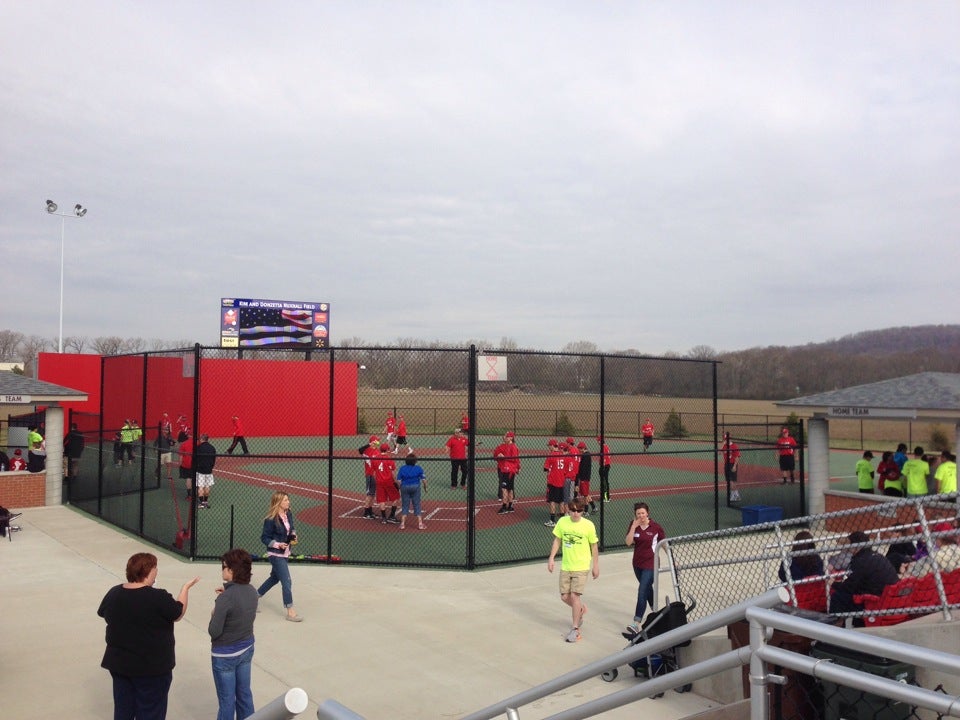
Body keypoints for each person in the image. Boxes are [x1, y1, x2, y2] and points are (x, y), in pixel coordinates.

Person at [97, 552, 200, 720]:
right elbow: (178, 612)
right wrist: (185, 589)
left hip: (120, 666)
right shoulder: (157, 597)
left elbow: (103, 613)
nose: (157, 571)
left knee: (123, 712)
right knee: (151, 712)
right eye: (155, 568)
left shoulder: (114, 593)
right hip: (152, 670)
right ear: (148, 571)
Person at [209, 548, 258, 720]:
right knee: (245, 695)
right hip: (246, 649)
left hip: (224, 656)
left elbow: (214, 631)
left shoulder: (225, 598)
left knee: (227, 701)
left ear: (232, 570)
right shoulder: (252, 591)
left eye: (224, 566)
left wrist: (218, 606)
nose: (222, 569)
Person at [547, 500, 599, 643]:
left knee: (575, 596)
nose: (576, 513)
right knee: (564, 597)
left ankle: (575, 629)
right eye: (573, 510)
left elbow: (594, 546)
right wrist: (551, 558)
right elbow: (557, 540)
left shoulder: (588, 525)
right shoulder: (562, 522)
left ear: (583, 511)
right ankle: (580, 609)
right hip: (566, 566)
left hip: (581, 567)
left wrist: (596, 565)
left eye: (579, 511)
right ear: (568, 510)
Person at [257, 491, 303, 622]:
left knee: (274, 578)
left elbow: (292, 528)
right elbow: (264, 538)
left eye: (288, 499)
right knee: (287, 581)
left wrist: (293, 535)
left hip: (285, 552)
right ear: (278, 503)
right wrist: (277, 544)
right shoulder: (270, 519)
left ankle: (253, 597)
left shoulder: (288, 514)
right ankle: (290, 611)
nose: (288, 502)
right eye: (285, 500)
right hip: (275, 554)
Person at [829, 530, 899, 615]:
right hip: (888, 597)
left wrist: (833, 583)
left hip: (874, 601)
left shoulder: (860, 561)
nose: (848, 546)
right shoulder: (878, 556)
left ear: (855, 546)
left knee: (838, 596)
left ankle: (835, 624)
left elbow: (849, 587)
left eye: (849, 544)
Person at [626, 502, 666, 628]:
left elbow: (664, 543)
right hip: (637, 564)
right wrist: (633, 527)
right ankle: (658, 613)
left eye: (643, 513)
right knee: (647, 589)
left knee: (642, 590)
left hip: (651, 563)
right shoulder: (634, 526)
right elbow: (628, 542)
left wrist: (673, 559)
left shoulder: (655, 527)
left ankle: (636, 622)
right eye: (638, 514)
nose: (641, 516)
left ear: (647, 513)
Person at [396, 453, 427, 530]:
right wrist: (425, 488)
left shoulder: (402, 468)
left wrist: (399, 488)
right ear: (415, 461)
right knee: (416, 504)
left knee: (405, 505)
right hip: (415, 487)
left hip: (405, 487)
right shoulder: (418, 468)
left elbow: (399, 481)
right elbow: (424, 480)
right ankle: (420, 524)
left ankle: (402, 524)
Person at [493, 431, 520, 514]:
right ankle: (510, 506)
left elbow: (515, 459)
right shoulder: (507, 446)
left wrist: (504, 457)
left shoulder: (513, 447)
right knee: (509, 489)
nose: (506, 437)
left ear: (511, 438)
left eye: (507, 437)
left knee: (505, 489)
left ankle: (504, 507)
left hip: (509, 470)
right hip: (506, 469)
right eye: (506, 436)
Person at [374, 442, 400, 524]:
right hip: (389, 481)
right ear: (388, 450)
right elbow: (393, 473)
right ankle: (392, 516)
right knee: (395, 498)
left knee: (382, 500)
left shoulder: (376, 458)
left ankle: (384, 518)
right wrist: (396, 482)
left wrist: (377, 479)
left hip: (379, 482)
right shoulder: (389, 460)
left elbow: (374, 472)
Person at [543, 439, 565, 527]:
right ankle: (563, 520)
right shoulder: (562, 454)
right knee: (561, 501)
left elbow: (545, 468)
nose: (548, 447)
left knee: (552, 500)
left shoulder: (551, 455)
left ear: (552, 446)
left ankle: (552, 520)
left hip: (553, 481)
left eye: (549, 446)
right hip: (561, 481)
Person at [358, 435, 381, 520]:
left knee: (373, 494)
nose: (378, 442)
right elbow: (360, 450)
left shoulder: (377, 451)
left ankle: (370, 511)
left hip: (376, 475)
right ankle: (366, 512)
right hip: (370, 475)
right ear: (373, 442)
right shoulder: (367, 452)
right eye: (377, 441)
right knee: (369, 494)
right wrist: (369, 444)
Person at [194, 434, 217, 509]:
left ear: (202, 439)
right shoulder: (212, 448)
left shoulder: (199, 447)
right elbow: (214, 459)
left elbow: (196, 459)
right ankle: (205, 502)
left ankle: (201, 503)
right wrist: (211, 466)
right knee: (207, 486)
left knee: (200, 487)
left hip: (200, 470)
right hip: (209, 470)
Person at [720, 432, 741, 501]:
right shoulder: (724, 446)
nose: (725, 440)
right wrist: (722, 444)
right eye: (724, 439)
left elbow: (737, 457)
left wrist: (735, 466)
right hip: (726, 464)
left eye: (726, 439)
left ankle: (733, 495)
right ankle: (737, 495)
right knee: (730, 481)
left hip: (732, 464)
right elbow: (720, 452)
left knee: (732, 481)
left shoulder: (734, 446)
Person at [576, 441, 595, 514]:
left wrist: (580, 477)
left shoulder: (585, 456)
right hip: (585, 477)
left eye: (580, 449)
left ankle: (586, 510)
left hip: (584, 478)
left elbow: (583, 468)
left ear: (583, 448)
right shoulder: (586, 455)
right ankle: (593, 506)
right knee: (586, 493)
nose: (579, 450)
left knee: (585, 495)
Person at [179, 433, 195, 500]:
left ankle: (189, 495)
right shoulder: (196, 443)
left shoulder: (183, 444)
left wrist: (180, 464)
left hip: (186, 464)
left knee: (188, 478)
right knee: (195, 478)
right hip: (195, 463)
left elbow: (181, 456)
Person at [596, 437, 611, 502]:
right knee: (605, 482)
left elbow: (604, 458)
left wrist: (603, 466)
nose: (597, 442)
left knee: (604, 482)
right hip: (607, 466)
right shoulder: (606, 446)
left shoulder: (603, 448)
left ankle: (605, 498)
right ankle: (606, 496)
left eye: (598, 441)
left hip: (604, 466)